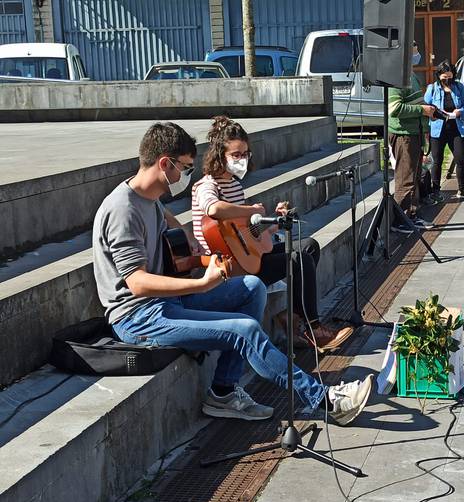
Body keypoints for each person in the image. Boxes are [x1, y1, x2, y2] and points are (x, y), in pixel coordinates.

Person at [92, 121, 372, 425]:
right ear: (164, 164)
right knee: (244, 329)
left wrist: (191, 245)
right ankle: (325, 400)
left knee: (252, 286)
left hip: (166, 304)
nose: (186, 176)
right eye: (184, 168)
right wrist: (201, 284)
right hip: (138, 317)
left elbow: (166, 222)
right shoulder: (122, 210)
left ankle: (222, 393)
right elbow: (137, 283)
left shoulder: (150, 199)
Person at [191, 116, 353, 353]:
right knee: (298, 260)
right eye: (236, 155)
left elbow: (244, 233)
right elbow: (213, 209)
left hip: (244, 256)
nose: (242, 159)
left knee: (309, 246)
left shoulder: (235, 185)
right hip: (228, 266)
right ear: (219, 155)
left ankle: (294, 317)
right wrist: (252, 210)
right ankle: (311, 327)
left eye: (245, 153)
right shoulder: (208, 185)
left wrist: (274, 223)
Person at [387, 41, 436, 235]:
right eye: (414, 51)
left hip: (414, 134)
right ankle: (400, 219)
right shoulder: (397, 78)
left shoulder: (411, 75)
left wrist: (425, 123)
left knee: (415, 176)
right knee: (405, 178)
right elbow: (394, 108)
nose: (418, 55)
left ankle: (412, 214)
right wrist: (422, 110)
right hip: (403, 135)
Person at [423, 59, 464, 202]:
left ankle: (462, 189)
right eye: (444, 77)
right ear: (439, 75)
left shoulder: (459, 87)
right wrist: (434, 114)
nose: (447, 80)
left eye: (450, 77)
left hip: (456, 128)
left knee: (460, 159)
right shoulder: (432, 88)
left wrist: (459, 112)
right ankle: (435, 191)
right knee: (437, 161)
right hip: (438, 129)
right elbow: (425, 105)